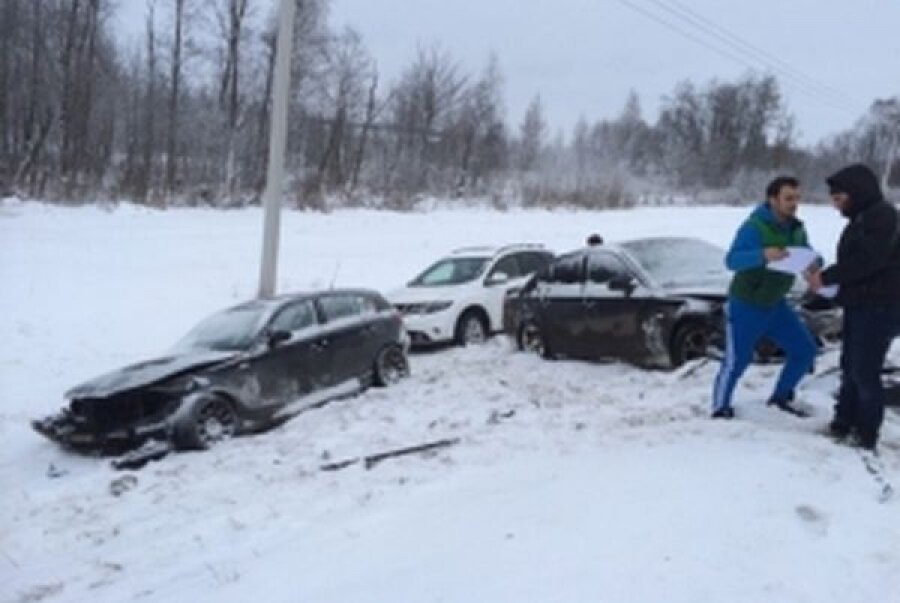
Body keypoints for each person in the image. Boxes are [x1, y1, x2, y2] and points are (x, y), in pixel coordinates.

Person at [804, 164, 900, 451]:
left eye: (839, 199)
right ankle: (843, 421)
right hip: (860, 304)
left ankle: (866, 432)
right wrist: (829, 289)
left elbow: (868, 262)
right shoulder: (861, 218)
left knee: (864, 370)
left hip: (881, 307)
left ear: (857, 193)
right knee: (849, 365)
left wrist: (829, 277)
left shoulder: (883, 218)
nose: (836, 206)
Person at [711, 176, 818, 419]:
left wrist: (813, 265)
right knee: (738, 360)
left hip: (776, 304)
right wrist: (762, 255)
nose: (794, 204)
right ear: (773, 200)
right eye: (788, 198)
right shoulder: (754, 227)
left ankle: (781, 397)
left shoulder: (797, 228)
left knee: (804, 351)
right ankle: (720, 407)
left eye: (797, 198)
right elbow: (732, 260)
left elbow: (808, 253)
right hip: (746, 304)